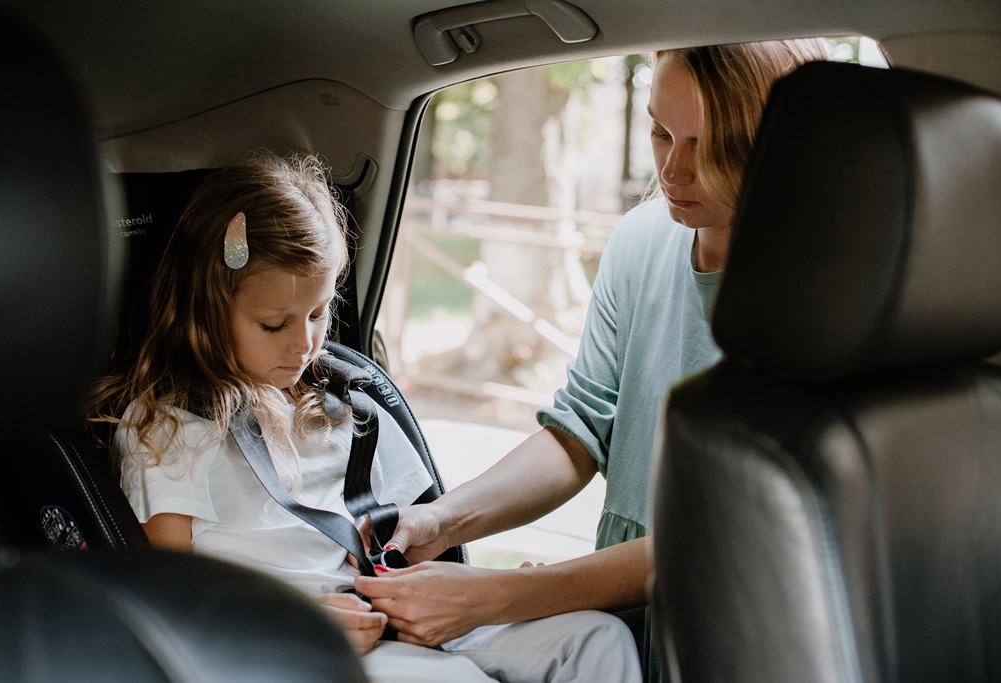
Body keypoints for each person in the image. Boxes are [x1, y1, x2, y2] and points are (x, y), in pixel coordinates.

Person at [354, 38, 829, 677]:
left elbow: (720, 534)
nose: (672, 173)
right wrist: (444, 519)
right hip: (625, 611)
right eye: (661, 133)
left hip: (749, 629)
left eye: (709, 147)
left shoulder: (826, 296)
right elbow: (579, 435)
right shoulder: (639, 242)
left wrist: (499, 596)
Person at [87, 152, 641, 683]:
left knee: (597, 639)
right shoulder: (167, 425)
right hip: (296, 641)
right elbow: (173, 598)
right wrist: (306, 621)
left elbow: (409, 525)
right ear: (207, 309)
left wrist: (483, 590)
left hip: (395, 608)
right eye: (274, 324)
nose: (304, 343)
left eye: (319, 313)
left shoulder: (344, 399)